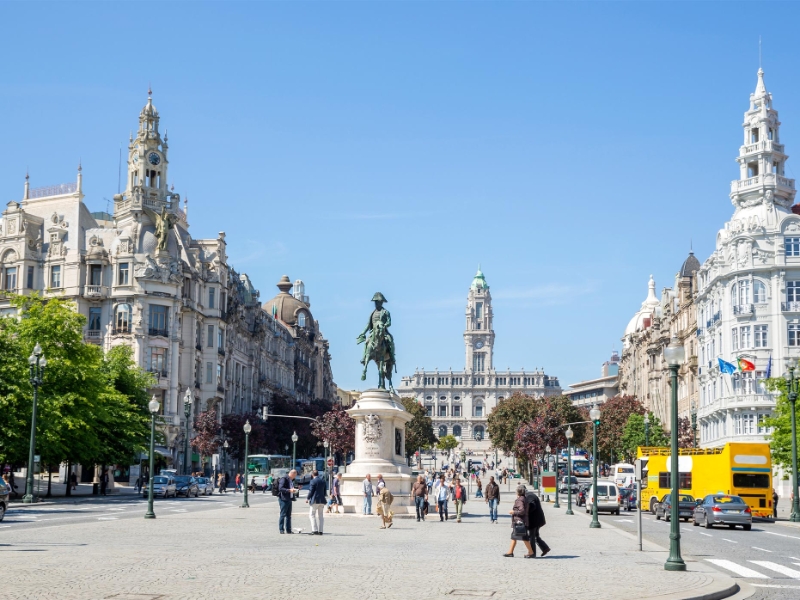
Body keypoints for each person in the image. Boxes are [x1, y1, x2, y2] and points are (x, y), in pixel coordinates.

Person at [504, 485, 534, 558]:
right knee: (515, 536)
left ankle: (530, 552)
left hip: (520, 521)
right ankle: (510, 552)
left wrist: (513, 512)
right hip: (522, 521)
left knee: (523, 537)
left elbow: (522, 511)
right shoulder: (524, 499)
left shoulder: (520, 500)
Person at [526, 488, 551, 557]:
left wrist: (526, 512)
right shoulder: (530, 495)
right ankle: (545, 548)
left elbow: (532, 505)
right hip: (538, 519)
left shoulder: (529, 496)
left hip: (534, 520)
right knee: (535, 535)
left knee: (531, 536)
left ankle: (532, 553)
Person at [305, 470, 327, 535]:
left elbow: (311, 491)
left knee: (312, 515)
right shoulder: (323, 481)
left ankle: (314, 530)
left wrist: (307, 498)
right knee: (321, 516)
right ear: (318, 474)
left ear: (312, 474)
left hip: (315, 500)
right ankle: (321, 530)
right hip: (322, 500)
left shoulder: (313, 481)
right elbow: (324, 491)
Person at [278, 469, 299, 534]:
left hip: (289, 499)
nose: (295, 477)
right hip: (284, 499)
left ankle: (288, 529)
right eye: (295, 475)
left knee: (289, 515)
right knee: (283, 514)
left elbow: (290, 487)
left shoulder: (290, 480)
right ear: (293, 474)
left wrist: (295, 489)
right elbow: (280, 488)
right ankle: (281, 529)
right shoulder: (284, 479)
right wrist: (289, 490)